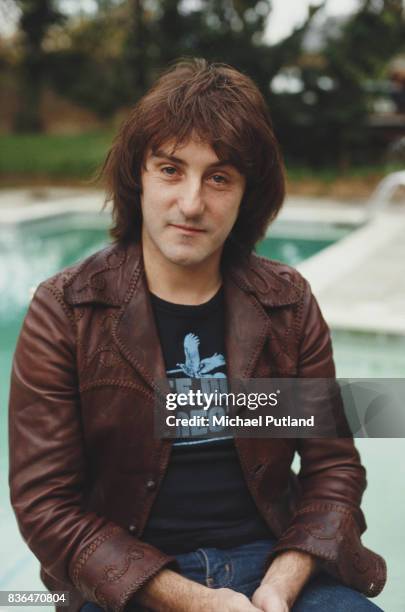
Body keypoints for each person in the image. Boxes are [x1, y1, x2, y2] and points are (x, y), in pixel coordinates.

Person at [9, 58, 386, 612]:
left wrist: (280, 585)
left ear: (245, 194)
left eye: (218, 177)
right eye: (170, 169)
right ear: (138, 176)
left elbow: (333, 468)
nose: (191, 204)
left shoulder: (287, 303)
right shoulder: (67, 309)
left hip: (274, 564)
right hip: (129, 581)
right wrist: (194, 601)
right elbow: (46, 505)